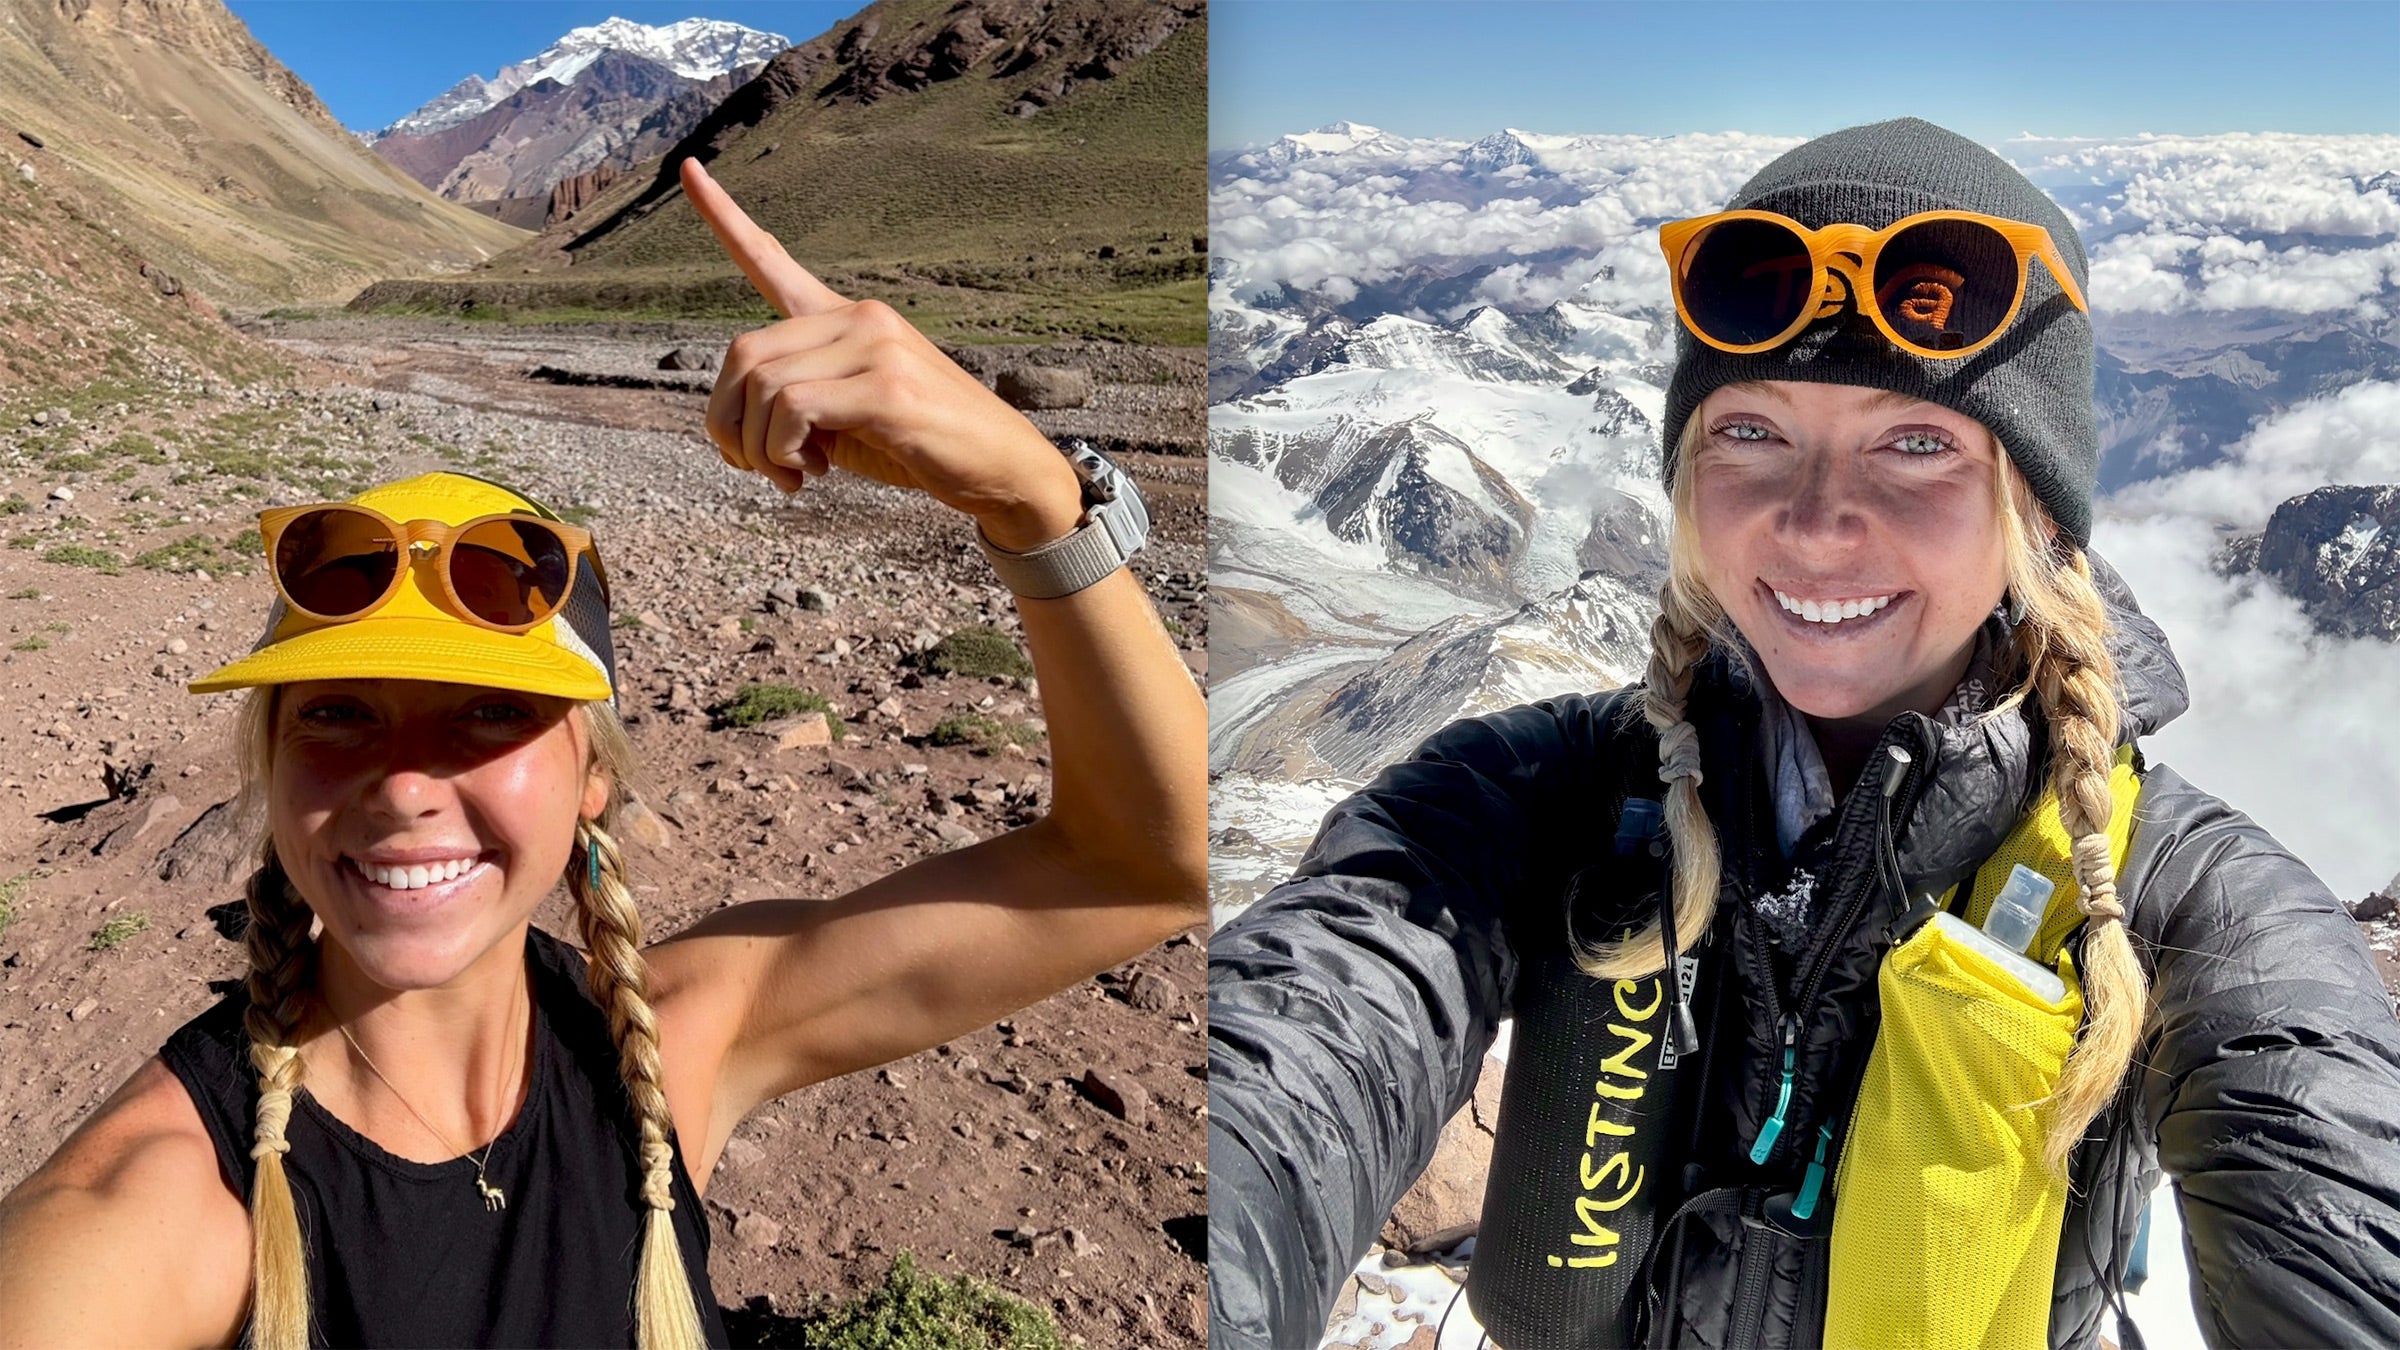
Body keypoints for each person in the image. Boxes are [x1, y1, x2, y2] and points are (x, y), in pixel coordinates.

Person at [1207, 117, 2400, 1348]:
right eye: (1753, 431)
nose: (1819, 523)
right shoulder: (1519, 801)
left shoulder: (2187, 908)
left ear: (2037, 511)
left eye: (1919, 442)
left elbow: (2332, 1192)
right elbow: (1298, 1048)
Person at [0, 158, 1205, 1349]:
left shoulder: (661, 1052)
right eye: (336, 713)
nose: (407, 782)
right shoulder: (156, 1206)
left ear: (596, 781)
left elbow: (1142, 865)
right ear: (273, 765)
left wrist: (1036, 503)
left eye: (489, 714)